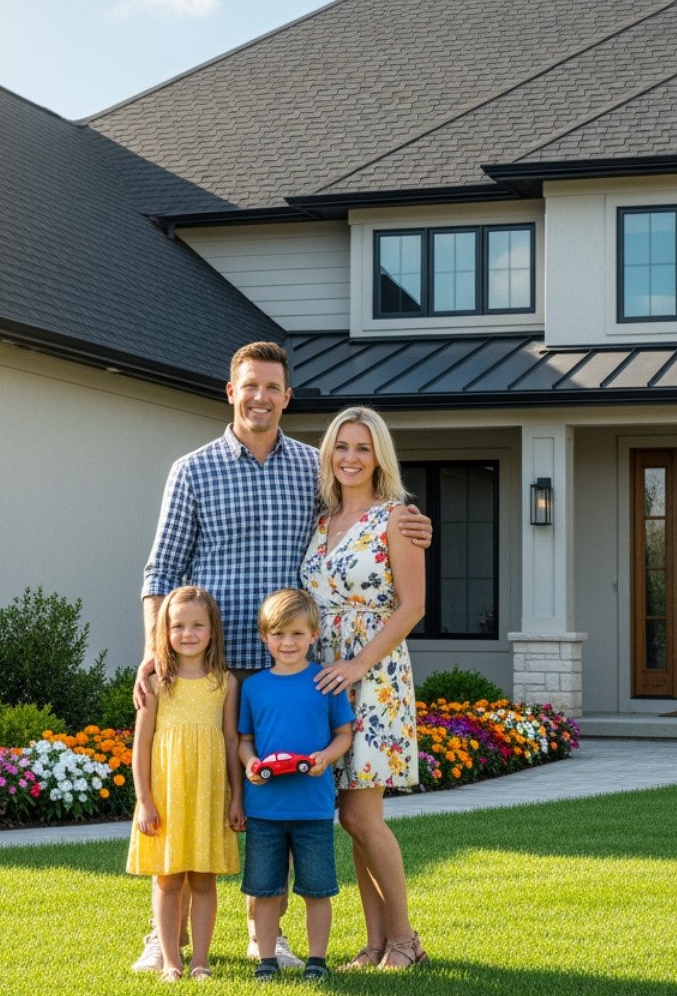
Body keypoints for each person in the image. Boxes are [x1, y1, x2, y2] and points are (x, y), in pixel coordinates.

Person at [136, 340, 432, 971]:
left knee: (292, 804)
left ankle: (267, 936)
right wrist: (153, 650)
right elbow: (161, 568)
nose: (261, 397)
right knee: (199, 798)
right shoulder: (194, 470)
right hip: (212, 667)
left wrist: (417, 524)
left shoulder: (311, 470)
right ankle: (165, 939)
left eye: (273, 387)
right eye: (250, 386)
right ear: (231, 390)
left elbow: (385, 543)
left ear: (287, 396)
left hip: (300, 672)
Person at [301, 406, 428, 970]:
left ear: (379, 456)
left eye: (362, 448)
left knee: (362, 815)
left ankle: (404, 940)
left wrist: (358, 665)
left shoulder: (396, 518)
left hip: (373, 676)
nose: (350, 458)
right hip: (324, 675)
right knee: (349, 815)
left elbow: (413, 607)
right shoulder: (320, 521)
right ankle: (375, 944)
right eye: (341, 447)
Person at [126, 586, 245, 981]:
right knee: (168, 878)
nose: (188, 633)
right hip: (166, 795)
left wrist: (236, 798)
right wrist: (144, 801)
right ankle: (171, 961)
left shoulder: (225, 683)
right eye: (178, 626)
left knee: (204, 879)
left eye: (197, 625)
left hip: (209, 796)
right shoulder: (157, 682)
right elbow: (141, 745)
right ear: (165, 630)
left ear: (213, 630)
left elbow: (231, 741)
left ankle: (201, 962)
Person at [237, 589, 355, 983]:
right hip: (265, 808)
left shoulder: (325, 681)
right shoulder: (253, 687)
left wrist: (326, 756)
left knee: (316, 889)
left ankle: (316, 960)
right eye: (279, 634)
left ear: (314, 635)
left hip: (312, 808)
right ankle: (266, 958)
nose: (288, 643)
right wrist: (252, 764)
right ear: (263, 637)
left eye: (297, 634)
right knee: (265, 889)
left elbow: (344, 733)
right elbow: (244, 740)